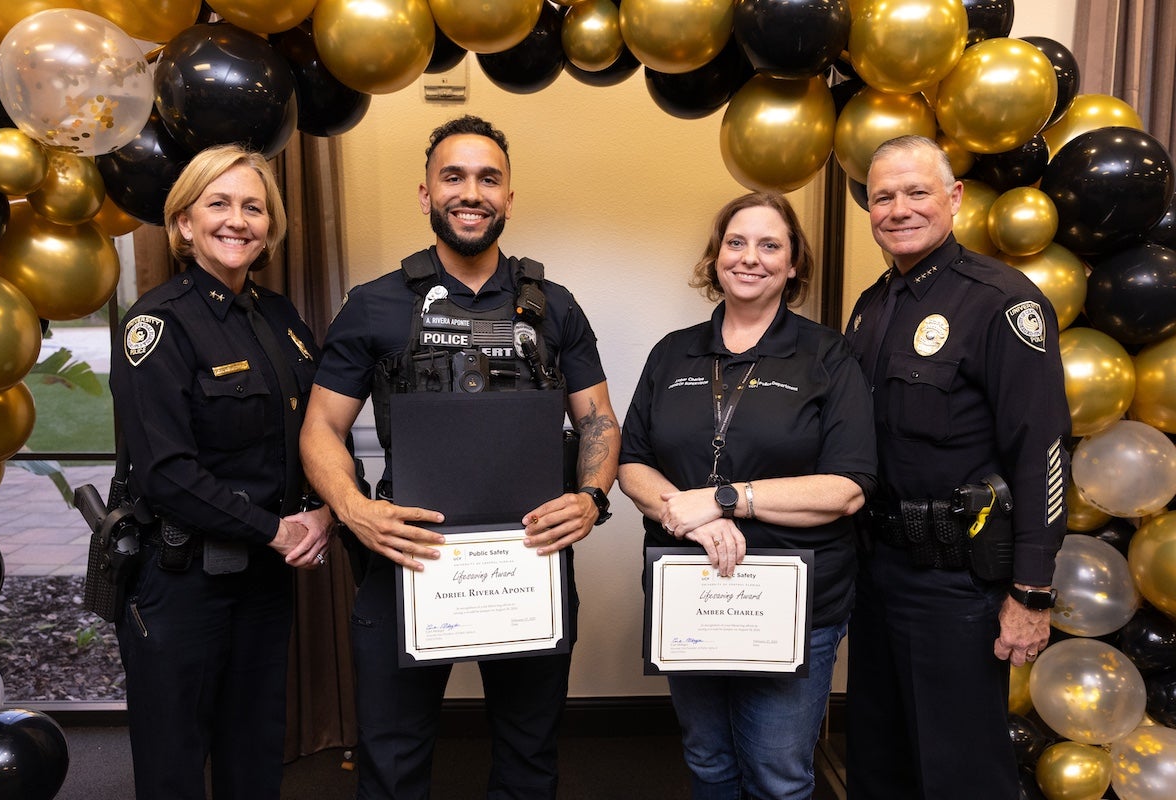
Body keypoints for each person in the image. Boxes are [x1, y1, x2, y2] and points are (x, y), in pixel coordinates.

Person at [299, 115, 620, 799]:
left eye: (488, 178)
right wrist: (356, 511)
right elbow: (320, 427)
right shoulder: (375, 305)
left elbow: (597, 420)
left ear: (508, 197)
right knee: (391, 758)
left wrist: (590, 498)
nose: (470, 192)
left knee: (529, 756)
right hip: (406, 553)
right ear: (425, 194)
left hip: (529, 557)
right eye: (454, 177)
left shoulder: (553, 307)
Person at [617, 191, 877, 800]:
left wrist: (725, 499)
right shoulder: (672, 352)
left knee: (778, 776)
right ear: (715, 257)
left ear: (793, 265)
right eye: (736, 242)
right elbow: (633, 463)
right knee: (707, 761)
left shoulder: (828, 356)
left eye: (770, 245)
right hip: (690, 590)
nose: (750, 258)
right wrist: (694, 519)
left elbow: (847, 490)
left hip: (794, 602)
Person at [843, 135, 1071, 800]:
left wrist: (1031, 592)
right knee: (878, 762)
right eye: (883, 196)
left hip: (957, 584)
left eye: (917, 192)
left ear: (954, 197)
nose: (899, 209)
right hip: (877, 572)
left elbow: (1043, 452)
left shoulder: (1000, 300)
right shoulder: (872, 306)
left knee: (960, 773)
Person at [109, 144, 335, 799]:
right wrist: (276, 529)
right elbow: (166, 475)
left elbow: (315, 433)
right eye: (218, 203)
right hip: (180, 581)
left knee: (255, 751)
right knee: (174, 763)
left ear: (270, 228)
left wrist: (324, 506)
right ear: (184, 223)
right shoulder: (158, 324)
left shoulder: (281, 320)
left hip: (263, 578)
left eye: (253, 207)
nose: (237, 220)